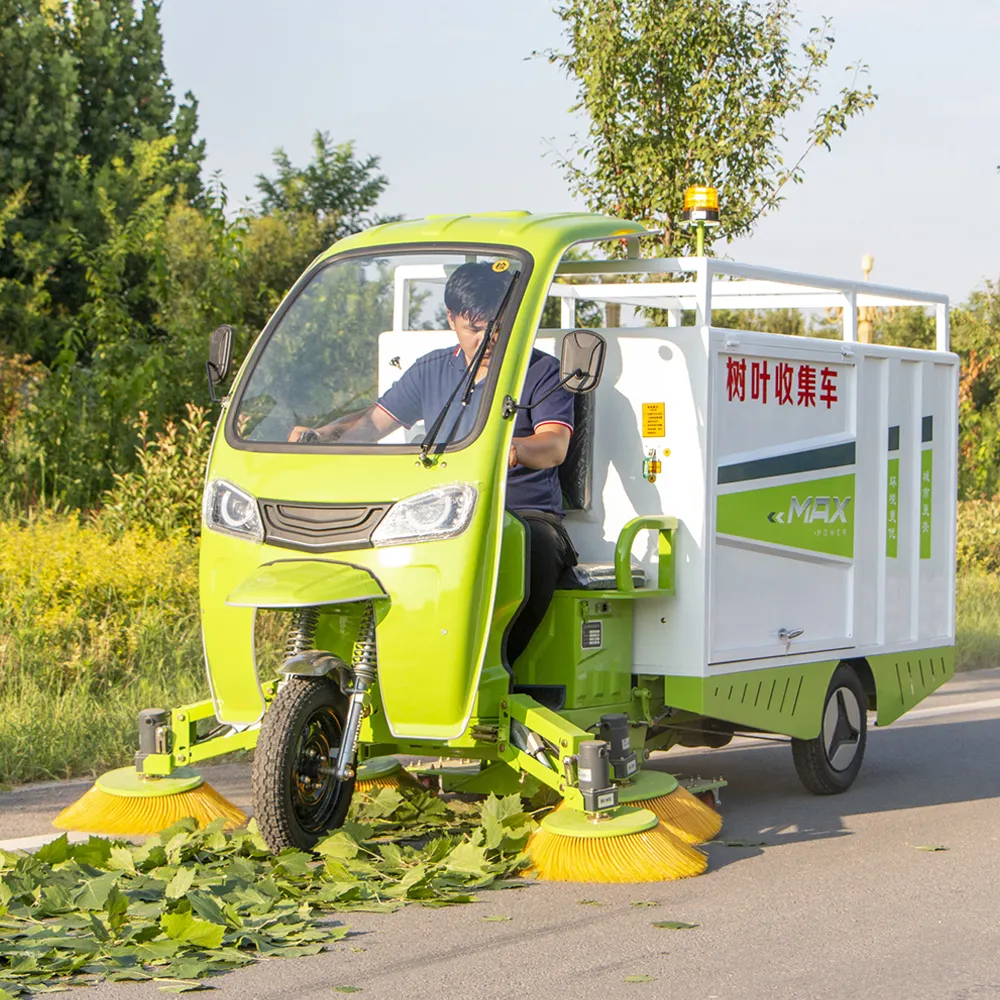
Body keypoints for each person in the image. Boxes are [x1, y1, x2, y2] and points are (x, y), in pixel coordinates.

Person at [288, 261, 577, 667]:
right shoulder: (431, 369)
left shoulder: (541, 371)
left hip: (520, 512)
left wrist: (512, 449)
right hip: (439, 509)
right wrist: (320, 435)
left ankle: (499, 665)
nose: (488, 338)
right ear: (452, 320)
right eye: (474, 328)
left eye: (495, 325)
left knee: (534, 544)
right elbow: (370, 424)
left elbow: (554, 444)